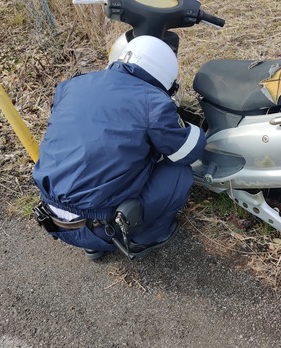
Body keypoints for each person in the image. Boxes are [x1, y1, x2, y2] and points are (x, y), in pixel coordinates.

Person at [32, 35, 206, 260]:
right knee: (178, 173)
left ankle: (92, 246)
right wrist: (195, 127)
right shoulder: (153, 102)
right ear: (165, 77)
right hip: (104, 229)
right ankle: (147, 236)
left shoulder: (71, 85)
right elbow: (187, 150)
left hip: (51, 216)